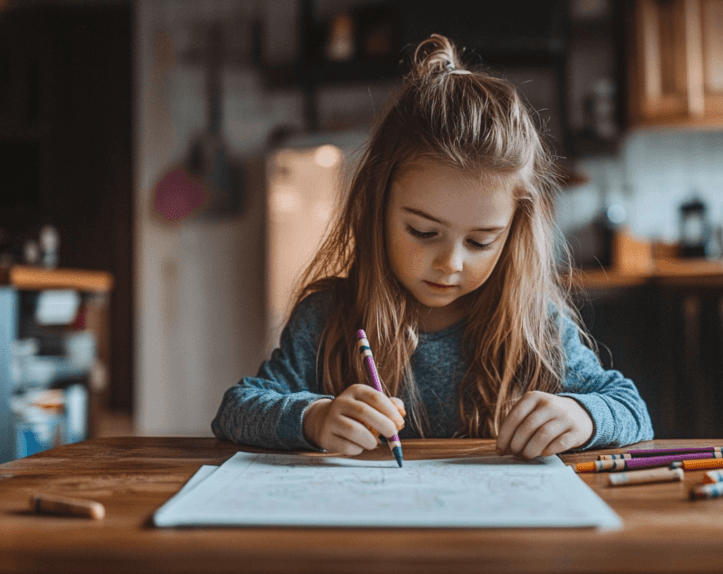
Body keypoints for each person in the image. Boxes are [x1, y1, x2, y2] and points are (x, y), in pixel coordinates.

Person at [212, 35, 653, 459]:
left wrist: (584, 415)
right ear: (376, 206)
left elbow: (633, 410)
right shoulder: (328, 318)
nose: (450, 263)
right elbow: (236, 411)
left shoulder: (535, 324)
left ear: (514, 232)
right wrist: (313, 417)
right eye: (423, 232)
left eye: (481, 241)